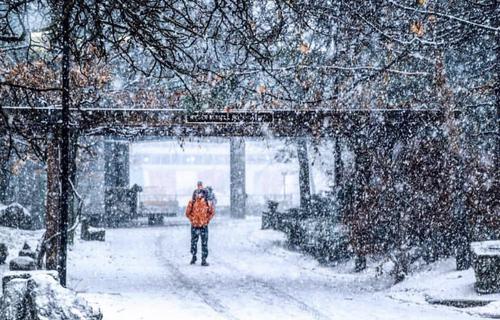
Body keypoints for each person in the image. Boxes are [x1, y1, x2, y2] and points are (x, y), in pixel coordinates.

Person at [186, 181, 215, 266]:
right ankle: (194, 257)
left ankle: (203, 259)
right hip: (196, 225)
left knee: (203, 243)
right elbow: (187, 213)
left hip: (202, 225)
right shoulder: (192, 202)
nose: (199, 195)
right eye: (198, 193)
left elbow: (212, 212)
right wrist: (193, 219)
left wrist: (206, 220)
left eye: (201, 193)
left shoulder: (206, 202)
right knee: (195, 242)